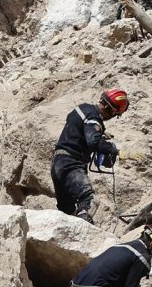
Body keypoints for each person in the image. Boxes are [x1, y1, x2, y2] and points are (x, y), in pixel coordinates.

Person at [51, 89, 130, 224]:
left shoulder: (82, 108)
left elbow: (75, 126)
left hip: (57, 164)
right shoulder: (94, 118)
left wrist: (100, 132)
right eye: (115, 114)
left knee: (67, 211)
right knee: (90, 200)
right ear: (110, 110)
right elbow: (93, 142)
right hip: (72, 164)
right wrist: (115, 151)